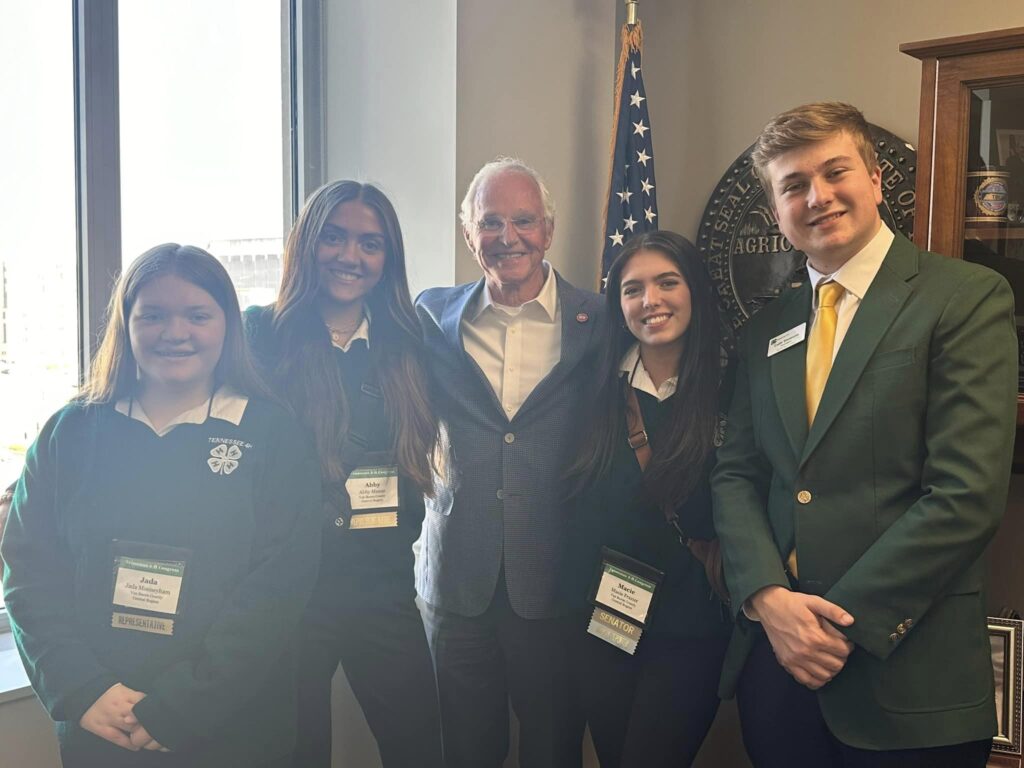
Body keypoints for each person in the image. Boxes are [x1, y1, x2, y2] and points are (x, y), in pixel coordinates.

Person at [711, 102, 1018, 767]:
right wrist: (769, 600)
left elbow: (965, 494)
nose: (817, 196)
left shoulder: (964, 298)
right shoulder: (766, 331)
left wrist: (831, 623)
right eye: (793, 186)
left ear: (875, 179)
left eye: (834, 171)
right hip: (780, 669)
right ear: (778, 208)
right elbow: (737, 473)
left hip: (909, 676)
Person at [1, 244, 322, 768]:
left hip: (233, 726)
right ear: (124, 324)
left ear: (228, 325)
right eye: (152, 315)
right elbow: (30, 573)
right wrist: (82, 689)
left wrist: (188, 704)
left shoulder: (273, 437)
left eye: (198, 315)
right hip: (102, 724)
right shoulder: (71, 433)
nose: (176, 333)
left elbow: (277, 591)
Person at [243, 180, 443, 768]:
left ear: (388, 259)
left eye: (370, 243)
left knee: (419, 746)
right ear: (306, 244)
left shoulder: (411, 342)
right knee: (296, 751)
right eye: (333, 237)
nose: (350, 256)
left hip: (381, 587)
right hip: (289, 592)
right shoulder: (259, 337)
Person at [416, 157, 605, 768]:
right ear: (468, 233)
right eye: (490, 222)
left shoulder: (598, 322)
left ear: (548, 230)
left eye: (523, 221)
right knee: (465, 749)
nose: (507, 237)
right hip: (456, 581)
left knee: (553, 749)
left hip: (555, 580)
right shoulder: (431, 318)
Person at [564, 230, 732, 767]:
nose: (650, 301)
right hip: (608, 621)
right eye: (632, 289)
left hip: (694, 627)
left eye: (667, 282)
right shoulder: (592, 389)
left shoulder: (734, 385)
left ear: (695, 291)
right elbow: (576, 511)